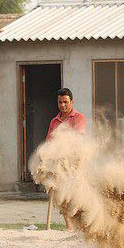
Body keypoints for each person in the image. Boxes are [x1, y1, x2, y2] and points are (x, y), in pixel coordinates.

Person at [46, 88, 86, 230]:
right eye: (60, 102)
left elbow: (77, 139)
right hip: (59, 164)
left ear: (71, 102)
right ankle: (69, 228)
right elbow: (49, 142)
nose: (63, 105)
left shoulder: (78, 118)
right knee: (62, 196)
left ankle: (81, 227)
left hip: (75, 164)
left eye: (65, 102)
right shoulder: (54, 121)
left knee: (75, 197)